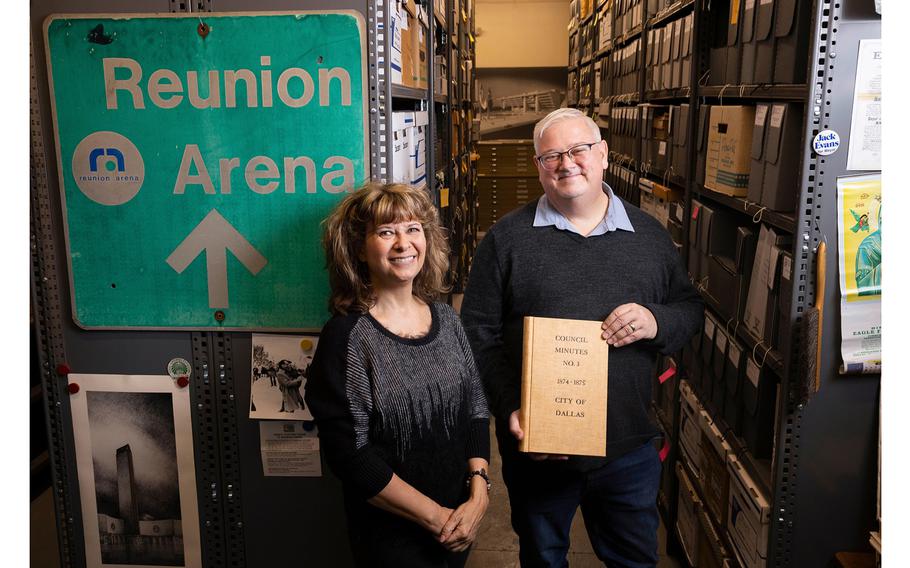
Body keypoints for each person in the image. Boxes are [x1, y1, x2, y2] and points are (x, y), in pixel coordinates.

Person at [461, 107, 704, 567]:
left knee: (634, 561)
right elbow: (477, 333)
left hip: (627, 449)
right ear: (538, 167)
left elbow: (689, 310)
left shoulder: (649, 237)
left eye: (578, 150)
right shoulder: (506, 240)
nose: (566, 163)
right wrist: (511, 403)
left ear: (604, 155)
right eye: (551, 155)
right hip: (540, 451)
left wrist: (656, 322)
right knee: (544, 559)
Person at [305, 182, 491, 567]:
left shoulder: (446, 319)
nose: (403, 243)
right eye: (386, 232)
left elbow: (475, 408)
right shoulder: (348, 338)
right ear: (359, 248)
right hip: (393, 542)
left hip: (458, 526)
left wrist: (480, 492)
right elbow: (350, 456)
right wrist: (437, 517)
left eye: (413, 229)